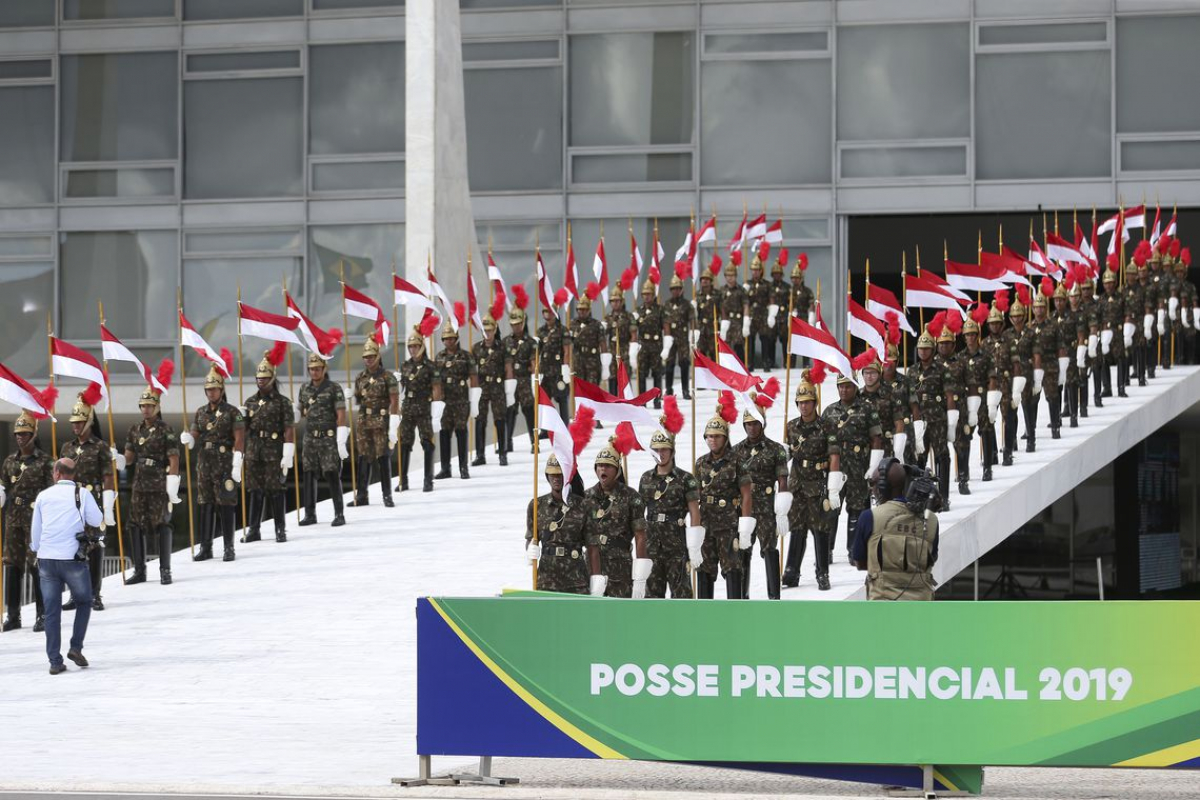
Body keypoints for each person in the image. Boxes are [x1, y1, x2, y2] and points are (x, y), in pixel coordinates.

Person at [31, 458, 101, 674]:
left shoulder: (43, 496)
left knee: (51, 612)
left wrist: (37, 550)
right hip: (72, 559)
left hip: (47, 560)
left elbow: (36, 530)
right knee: (84, 601)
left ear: (56, 473)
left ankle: (54, 661)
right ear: (72, 474)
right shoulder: (81, 494)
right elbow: (97, 520)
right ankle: (75, 647)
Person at [59, 385, 116, 610]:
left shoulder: (100, 447)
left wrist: (108, 505)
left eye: (79, 422)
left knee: (94, 547)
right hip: (72, 502)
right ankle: (75, 594)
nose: (75, 426)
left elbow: (108, 476)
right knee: (73, 550)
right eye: (73, 422)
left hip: (92, 500)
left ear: (89, 422)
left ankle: (94, 594)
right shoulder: (66, 447)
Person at [852, 459, 940, 601]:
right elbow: (932, 558)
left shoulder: (869, 517)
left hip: (882, 605)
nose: (871, 489)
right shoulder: (932, 520)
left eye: (872, 483)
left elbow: (859, 562)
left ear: (882, 486)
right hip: (922, 606)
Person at [783, 378, 841, 591]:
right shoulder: (791, 427)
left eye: (807, 402)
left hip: (817, 483)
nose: (804, 406)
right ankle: (791, 571)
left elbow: (834, 455)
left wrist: (833, 486)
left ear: (815, 403)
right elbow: (787, 454)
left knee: (820, 529)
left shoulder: (827, 426)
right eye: (800, 402)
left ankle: (822, 572)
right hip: (797, 483)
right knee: (797, 527)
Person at [694, 397, 754, 599]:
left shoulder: (737, 461)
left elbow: (746, 494)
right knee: (704, 570)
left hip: (729, 524)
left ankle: (734, 614)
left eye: (717, 436)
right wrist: (694, 527)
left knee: (732, 570)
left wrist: (745, 526)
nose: (712, 440)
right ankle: (704, 615)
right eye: (709, 436)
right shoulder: (701, 463)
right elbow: (696, 497)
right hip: (706, 524)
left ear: (725, 437)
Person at [125, 377, 181, 584]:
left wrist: (172, 483)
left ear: (157, 407)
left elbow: (174, 457)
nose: (146, 409)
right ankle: (139, 570)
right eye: (143, 405)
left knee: (162, 524)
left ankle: (165, 570)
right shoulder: (134, 430)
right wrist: (118, 458)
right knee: (134, 525)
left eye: (149, 405)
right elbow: (129, 459)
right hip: (139, 483)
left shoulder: (165, 429)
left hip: (158, 481)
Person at [821, 373, 883, 562]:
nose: (844, 390)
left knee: (857, 510)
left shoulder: (867, 408)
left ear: (855, 387)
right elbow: (820, 440)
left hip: (858, 465)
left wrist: (873, 466)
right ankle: (826, 550)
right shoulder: (829, 411)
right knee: (830, 510)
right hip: (835, 468)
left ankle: (853, 550)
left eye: (848, 386)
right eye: (840, 386)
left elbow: (876, 438)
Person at [1, 412, 54, 630]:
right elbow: (4, 485)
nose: (20, 437)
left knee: (37, 564)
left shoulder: (46, 461)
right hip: (13, 517)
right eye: (17, 434)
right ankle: (13, 615)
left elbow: (52, 492)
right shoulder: (10, 462)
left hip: (36, 519)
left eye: (24, 433)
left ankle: (43, 614)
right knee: (12, 564)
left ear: (33, 435)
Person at [732, 405, 789, 599]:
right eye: (748, 424)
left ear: (762, 424)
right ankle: (742, 595)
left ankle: (774, 596)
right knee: (743, 549)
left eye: (755, 424)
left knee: (769, 549)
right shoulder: (736, 450)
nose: (752, 428)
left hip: (766, 508)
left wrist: (782, 510)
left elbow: (782, 479)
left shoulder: (775, 449)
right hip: (744, 509)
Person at [637, 429, 700, 599]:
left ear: (672, 451)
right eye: (656, 450)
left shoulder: (686, 479)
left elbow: (695, 512)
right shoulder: (645, 479)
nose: (660, 453)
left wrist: (694, 546)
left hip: (676, 545)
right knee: (651, 596)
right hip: (652, 545)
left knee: (682, 595)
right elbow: (638, 516)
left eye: (664, 449)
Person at [582, 444, 651, 598]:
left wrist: (640, 577)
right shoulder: (585, 498)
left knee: (620, 616)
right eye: (599, 466)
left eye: (607, 466)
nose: (603, 470)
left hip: (620, 567)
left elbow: (640, 536)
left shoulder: (632, 497)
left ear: (617, 470)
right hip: (592, 565)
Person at [243, 347, 295, 541]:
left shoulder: (282, 402)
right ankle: (254, 529)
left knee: (275, 490)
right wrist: (241, 418)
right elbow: (245, 429)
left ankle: (280, 529)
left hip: (274, 449)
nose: (260, 381)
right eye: (258, 378)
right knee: (255, 490)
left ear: (272, 378)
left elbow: (288, 428)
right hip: (254, 450)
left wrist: (288, 452)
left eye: (264, 378)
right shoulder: (250, 402)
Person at [525, 456, 589, 594]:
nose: (556, 478)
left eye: (560, 474)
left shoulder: (583, 505)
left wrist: (596, 576)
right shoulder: (537, 505)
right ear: (547, 476)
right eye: (552, 474)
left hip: (576, 577)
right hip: (547, 578)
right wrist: (530, 549)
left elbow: (592, 545)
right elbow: (531, 537)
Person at [297, 352, 348, 527]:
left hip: (328, 437)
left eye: (317, 369)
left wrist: (341, 438)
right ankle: (310, 514)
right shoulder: (304, 388)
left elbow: (341, 414)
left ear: (324, 369)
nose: (314, 372)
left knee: (331, 473)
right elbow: (300, 410)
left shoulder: (334, 388)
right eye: (311, 369)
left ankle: (339, 513)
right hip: (310, 437)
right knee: (309, 473)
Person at [352, 333, 398, 505]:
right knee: (364, 456)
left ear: (378, 356)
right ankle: (362, 495)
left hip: (380, 420)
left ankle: (387, 495)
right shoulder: (360, 377)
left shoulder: (388, 377)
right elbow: (359, 398)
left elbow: (394, 401)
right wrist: (352, 395)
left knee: (382, 456)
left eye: (371, 356)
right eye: (366, 357)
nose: (368, 360)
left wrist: (394, 423)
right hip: (364, 420)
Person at [399, 324, 442, 493]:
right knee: (404, 442)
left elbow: (437, 388)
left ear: (422, 346)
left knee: (427, 443)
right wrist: (396, 383)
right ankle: (403, 480)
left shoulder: (431, 366)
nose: (412, 349)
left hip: (424, 407)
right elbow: (401, 389)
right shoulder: (405, 366)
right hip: (408, 408)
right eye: (410, 346)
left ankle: (428, 479)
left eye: (415, 346)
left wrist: (437, 410)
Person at [434, 320, 477, 480]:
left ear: (456, 338)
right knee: (444, 434)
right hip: (445, 402)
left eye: (451, 338)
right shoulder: (439, 357)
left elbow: (473, 378)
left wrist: (474, 401)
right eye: (446, 338)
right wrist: (436, 403)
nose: (448, 341)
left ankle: (463, 468)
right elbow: (435, 381)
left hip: (460, 401)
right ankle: (445, 468)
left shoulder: (466, 356)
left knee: (461, 433)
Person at [472, 312, 513, 467]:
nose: (487, 333)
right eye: (485, 330)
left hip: (497, 386)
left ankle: (503, 454)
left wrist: (509, 390)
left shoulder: (502, 347)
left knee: (500, 419)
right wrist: (473, 391)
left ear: (495, 330)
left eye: (489, 330)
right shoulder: (476, 348)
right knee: (480, 420)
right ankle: (480, 454)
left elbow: (508, 368)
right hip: (482, 387)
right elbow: (473, 371)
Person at [503, 292, 535, 454]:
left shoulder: (530, 342)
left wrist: (533, 369)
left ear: (523, 323)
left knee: (529, 411)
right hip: (510, 381)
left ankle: (533, 441)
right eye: (513, 324)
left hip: (524, 381)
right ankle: (507, 442)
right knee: (509, 411)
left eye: (518, 324)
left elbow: (533, 363)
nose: (515, 327)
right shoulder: (506, 341)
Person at [662, 273, 693, 399]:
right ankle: (669, 390)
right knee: (669, 364)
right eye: (673, 289)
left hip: (683, 338)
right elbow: (665, 321)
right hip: (670, 338)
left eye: (677, 288)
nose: (675, 291)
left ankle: (685, 390)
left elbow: (692, 320)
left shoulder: (687, 304)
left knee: (684, 363)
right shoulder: (667, 304)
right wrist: (667, 338)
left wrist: (693, 336)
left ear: (681, 289)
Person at [633, 279, 664, 405]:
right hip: (643, 345)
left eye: (649, 294)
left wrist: (666, 345)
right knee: (641, 374)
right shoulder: (638, 311)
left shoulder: (660, 310)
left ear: (653, 295)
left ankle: (657, 400)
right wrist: (633, 345)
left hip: (656, 345)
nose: (646, 296)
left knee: (657, 373)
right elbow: (633, 330)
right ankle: (643, 400)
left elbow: (665, 326)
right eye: (644, 294)